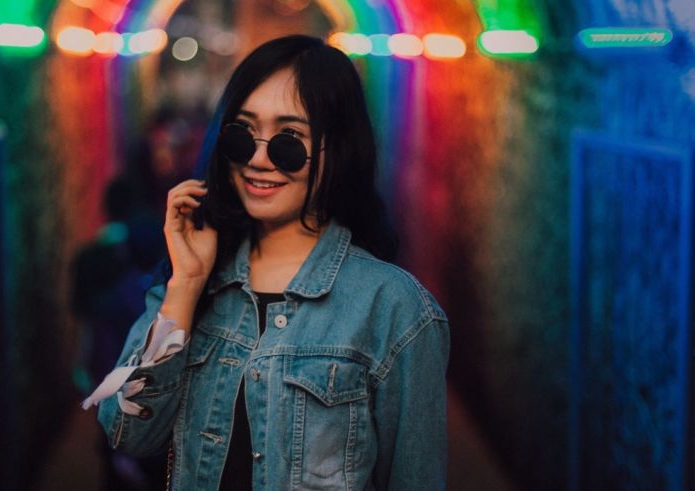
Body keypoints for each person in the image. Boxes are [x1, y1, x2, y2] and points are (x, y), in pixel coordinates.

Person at [83, 34, 450, 490]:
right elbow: (127, 432)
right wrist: (185, 286)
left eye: (289, 139)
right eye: (242, 134)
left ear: (337, 150)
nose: (258, 159)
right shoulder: (186, 286)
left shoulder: (396, 310)